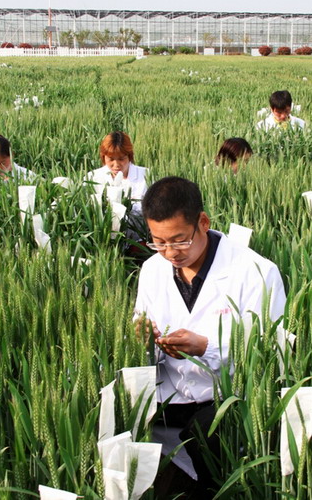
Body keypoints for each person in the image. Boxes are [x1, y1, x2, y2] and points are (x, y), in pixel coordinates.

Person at [134, 176, 286, 495]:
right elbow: (142, 331)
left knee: (207, 438)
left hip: (224, 401)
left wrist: (207, 347)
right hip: (168, 398)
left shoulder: (256, 272)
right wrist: (146, 341)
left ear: (203, 222)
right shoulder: (151, 270)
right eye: (158, 242)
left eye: (179, 241)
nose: (170, 253)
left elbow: (271, 353)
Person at [87, 131, 148, 215]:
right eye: (111, 159)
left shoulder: (146, 176)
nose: (116, 165)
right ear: (103, 157)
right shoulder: (92, 177)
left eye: (121, 159)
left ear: (129, 156)